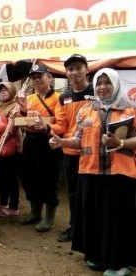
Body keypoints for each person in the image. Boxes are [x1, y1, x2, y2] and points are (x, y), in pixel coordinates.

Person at [50, 68, 136, 276]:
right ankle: (97, 255)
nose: (102, 87)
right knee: (95, 216)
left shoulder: (130, 110)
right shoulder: (87, 110)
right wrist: (62, 141)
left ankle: (119, 264)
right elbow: (78, 140)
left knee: (117, 220)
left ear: (115, 84)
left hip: (120, 174)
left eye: (107, 83)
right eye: (99, 83)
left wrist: (121, 142)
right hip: (90, 172)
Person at [36, 54, 94, 242]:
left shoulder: (97, 91)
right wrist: (47, 128)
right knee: (73, 193)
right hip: (70, 152)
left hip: (93, 153)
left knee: (92, 193)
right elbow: (62, 125)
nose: (74, 72)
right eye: (70, 69)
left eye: (78, 68)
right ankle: (74, 227)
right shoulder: (65, 97)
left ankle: (92, 229)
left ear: (87, 69)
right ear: (66, 73)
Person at [16, 64, 61, 232]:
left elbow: (60, 122)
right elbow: (26, 118)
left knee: (48, 178)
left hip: (48, 141)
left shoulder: (58, 97)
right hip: (31, 141)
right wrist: (22, 110)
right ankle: (35, 212)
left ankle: (49, 217)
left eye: (40, 75)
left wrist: (44, 126)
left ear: (49, 77)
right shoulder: (30, 98)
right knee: (29, 176)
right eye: (34, 76)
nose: (36, 79)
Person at [0, 82, 21, 218]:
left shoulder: (16, 106)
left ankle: (14, 207)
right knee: (1, 175)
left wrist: (4, 137)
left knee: (11, 177)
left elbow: (14, 125)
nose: (3, 92)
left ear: (12, 92)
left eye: (6, 90)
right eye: (0, 90)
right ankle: (3, 203)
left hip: (11, 145)